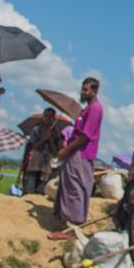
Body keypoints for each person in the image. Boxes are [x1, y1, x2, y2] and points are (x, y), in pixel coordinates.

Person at [50, 77, 104, 237]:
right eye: (82, 89)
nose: (83, 92)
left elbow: (85, 136)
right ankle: (64, 222)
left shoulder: (95, 109)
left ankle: (72, 226)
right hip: (76, 152)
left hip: (82, 153)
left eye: (86, 90)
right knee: (69, 185)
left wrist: (65, 151)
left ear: (94, 91)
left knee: (76, 188)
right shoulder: (86, 109)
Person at [22, 108, 63, 195]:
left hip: (47, 168)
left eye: (51, 116)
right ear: (43, 117)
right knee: (29, 191)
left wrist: (51, 140)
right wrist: (44, 139)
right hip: (34, 165)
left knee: (41, 193)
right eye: (46, 115)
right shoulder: (36, 129)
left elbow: (57, 152)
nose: (48, 118)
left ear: (54, 119)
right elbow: (32, 146)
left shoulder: (57, 133)